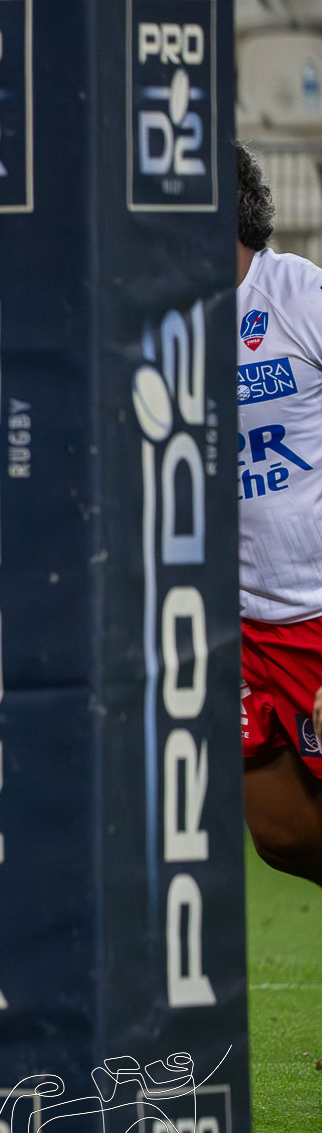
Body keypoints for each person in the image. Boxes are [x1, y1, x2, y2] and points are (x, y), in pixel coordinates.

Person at [233, 145, 322, 889]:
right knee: (281, 834)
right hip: (241, 628)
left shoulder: (296, 294)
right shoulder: (151, 325)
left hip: (318, 608)